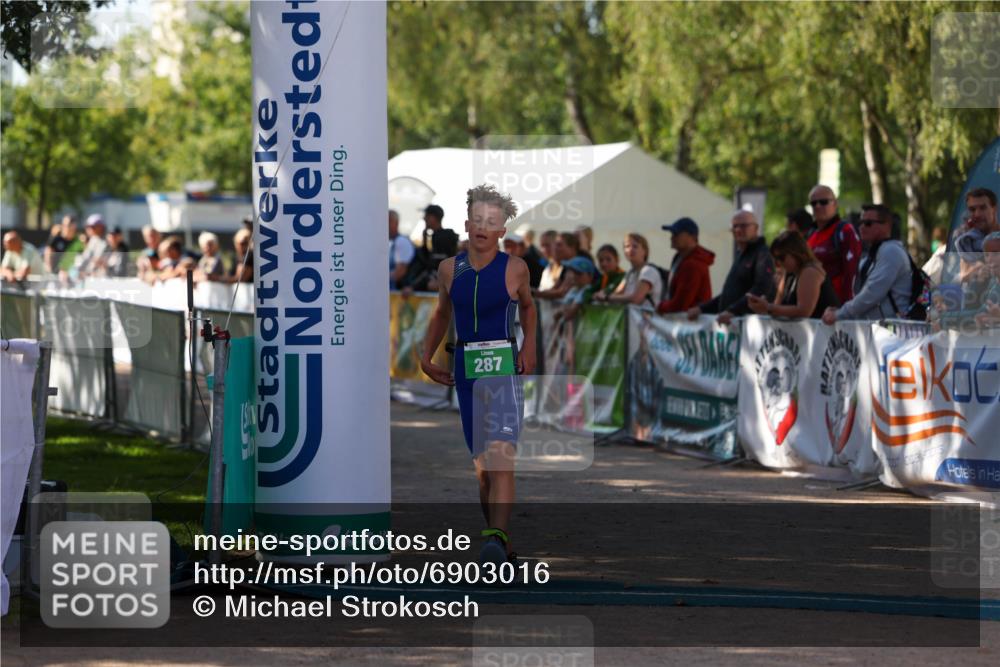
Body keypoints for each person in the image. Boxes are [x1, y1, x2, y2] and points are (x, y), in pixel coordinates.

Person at [419, 184, 536, 565]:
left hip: (503, 370)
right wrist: (426, 355)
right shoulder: (449, 269)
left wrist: (528, 344)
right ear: (467, 223)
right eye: (478, 220)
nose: (483, 227)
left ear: (502, 230)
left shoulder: (516, 268)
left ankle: (495, 539)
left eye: (493, 222)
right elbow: (441, 313)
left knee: (502, 457)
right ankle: (497, 542)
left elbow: (530, 309)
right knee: (484, 469)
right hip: (466, 370)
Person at [822, 204, 912, 324]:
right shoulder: (876, 251)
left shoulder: (891, 251)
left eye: (868, 223)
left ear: (886, 226)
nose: (862, 227)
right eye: (860, 223)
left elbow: (871, 293)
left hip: (892, 333)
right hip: (878, 330)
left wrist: (839, 314)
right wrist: (841, 311)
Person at [687, 211, 775, 324]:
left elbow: (761, 288)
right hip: (733, 328)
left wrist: (733, 311)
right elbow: (731, 293)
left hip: (750, 329)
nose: (738, 230)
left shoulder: (762, 254)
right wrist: (702, 309)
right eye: (734, 226)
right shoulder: (741, 254)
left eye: (743, 226)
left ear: (756, 228)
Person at [748, 230, 839, 319]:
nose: (778, 263)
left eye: (781, 257)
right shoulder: (789, 273)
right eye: (775, 259)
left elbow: (804, 311)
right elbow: (777, 307)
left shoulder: (810, 271)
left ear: (796, 252)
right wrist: (763, 307)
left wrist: (768, 307)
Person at [806, 184, 861, 304]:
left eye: (823, 202)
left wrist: (846, 308)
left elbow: (851, 272)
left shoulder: (845, 231)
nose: (818, 206)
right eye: (814, 203)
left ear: (835, 204)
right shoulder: (810, 235)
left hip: (836, 307)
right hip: (812, 306)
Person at [657, 217, 714, 314]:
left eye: (676, 234)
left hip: (691, 324)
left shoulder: (692, 264)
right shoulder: (681, 258)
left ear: (692, 237)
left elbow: (680, 305)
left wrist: (659, 306)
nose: (672, 237)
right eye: (672, 234)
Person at [955, 187, 999, 309]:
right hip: (974, 312)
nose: (977, 214)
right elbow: (961, 277)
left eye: (983, 208)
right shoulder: (967, 243)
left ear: (994, 208)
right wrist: (974, 274)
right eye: (972, 209)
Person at [594, 233, 662, 307]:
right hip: (631, 317)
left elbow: (636, 299)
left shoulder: (648, 271)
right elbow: (617, 293)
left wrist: (607, 297)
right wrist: (601, 295)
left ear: (644, 251)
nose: (630, 249)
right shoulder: (630, 273)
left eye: (635, 246)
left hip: (647, 318)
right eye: (627, 246)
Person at [403, 204, 459, 292]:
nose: (424, 219)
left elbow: (435, 268)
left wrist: (413, 287)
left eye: (426, 216)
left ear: (434, 218)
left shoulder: (443, 237)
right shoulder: (436, 236)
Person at [534, 232, 581, 301]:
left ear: (572, 247)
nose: (555, 248)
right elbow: (554, 289)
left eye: (559, 245)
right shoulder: (566, 265)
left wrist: (531, 292)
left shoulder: (578, 264)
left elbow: (561, 292)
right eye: (555, 245)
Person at [554, 256, 595, 323]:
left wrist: (562, 311)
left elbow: (568, 314)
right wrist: (561, 311)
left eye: (579, 273)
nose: (574, 276)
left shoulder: (587, 290)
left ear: (590, 276)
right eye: (573, 272)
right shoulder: (574, 289)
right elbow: (556, 315)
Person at [973, 232, 1000, 328]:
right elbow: (977, 312)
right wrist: (978, 284)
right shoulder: (992, 282)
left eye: (996, 253)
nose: (990, 260)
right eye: (987, 255)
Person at [388, 209, 415, 290]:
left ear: (396, 223)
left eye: (388, 222)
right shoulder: (392, 242)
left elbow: (399, 273)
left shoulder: (401, 242)